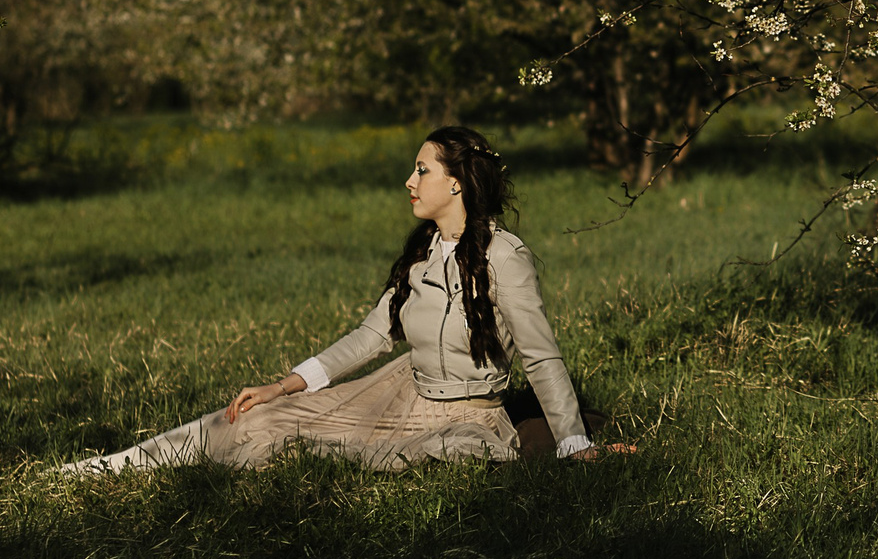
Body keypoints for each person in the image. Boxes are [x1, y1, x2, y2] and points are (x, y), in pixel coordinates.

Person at [62, 126, 624, 473]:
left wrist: (574, 441)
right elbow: (372, 335)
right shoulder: (422, 251)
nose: (409, 181)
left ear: (456, 182)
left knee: (388, 458)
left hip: (467, 421)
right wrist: (283, 385)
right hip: (398, 393)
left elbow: (541, 357)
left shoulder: (505, 257)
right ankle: (113, 468)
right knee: (262, 420)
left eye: (422, 170)